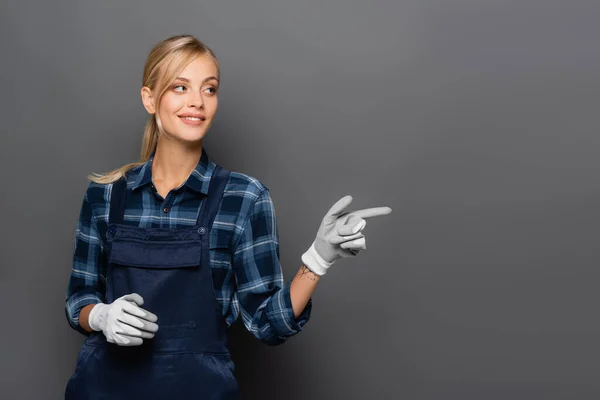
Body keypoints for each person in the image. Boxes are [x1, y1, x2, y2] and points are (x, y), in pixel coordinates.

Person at [63, 34, 392, 399]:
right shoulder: (105, 196)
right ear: (150, 98)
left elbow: (268, 325)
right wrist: (100, 316)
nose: (197, 102)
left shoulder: (244, 198)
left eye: (209, 89)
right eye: (180, 86)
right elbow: (79, 298)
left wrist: (318, 257)